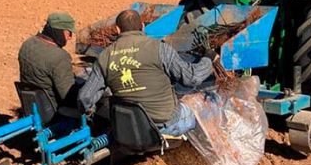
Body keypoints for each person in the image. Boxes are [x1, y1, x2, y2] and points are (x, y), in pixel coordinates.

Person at [78, 9, 216, 137]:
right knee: (205, 104)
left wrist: (92, 115)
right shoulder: (160, 49)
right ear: (143, 26)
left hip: (127, 126)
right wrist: (208, 59)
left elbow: (84, 98)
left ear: (118, 29)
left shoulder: (104, 56)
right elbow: (192, 78)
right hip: (164, 125)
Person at [18, 12, 79, 111]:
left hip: (32, 105)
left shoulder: (27, 44)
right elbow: (68, 95)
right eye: (68, 33)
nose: (70, 37)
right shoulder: (59, 56)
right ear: (58, 32)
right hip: (53, 109)